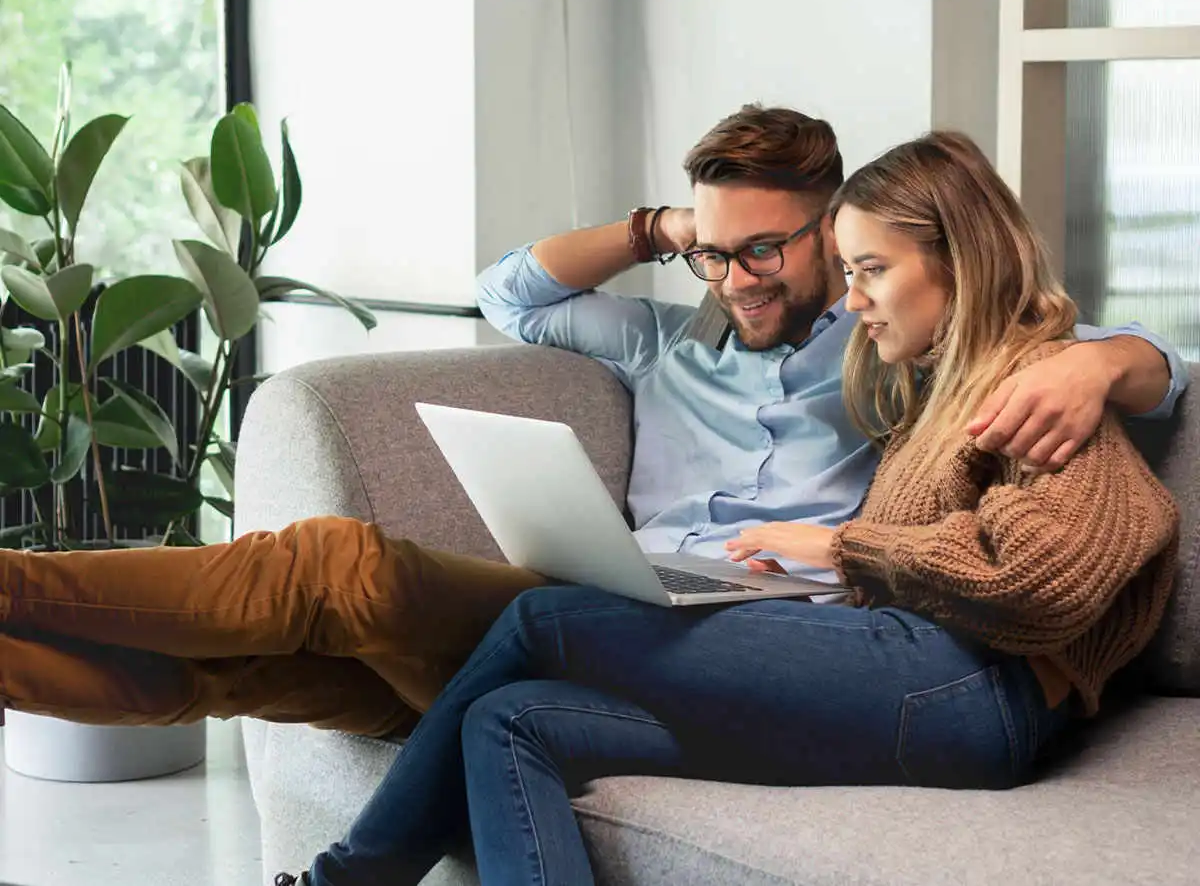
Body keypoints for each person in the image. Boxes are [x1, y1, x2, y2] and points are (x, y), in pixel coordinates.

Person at [0, 107, 1186, 739]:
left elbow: (1111, 363)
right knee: (263, 672)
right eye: (719, 253)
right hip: (622, 590)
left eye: (769, 247)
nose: (743, 279)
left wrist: (1111, 363)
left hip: (764, 629)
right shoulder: (669, 337)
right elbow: (506, 290)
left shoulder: (894, 352)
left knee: (334, 569)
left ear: (836, 233)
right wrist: (669, 231)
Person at [274, 130, 1180, 886]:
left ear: (960, 264)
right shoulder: (936, 383)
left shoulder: (1040, 388)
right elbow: (511, 291)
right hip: (909, 678)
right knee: (509, 720)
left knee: (542, 616)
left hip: (976, 694)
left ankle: (348, 879)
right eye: (848, 268)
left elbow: (1043, 579)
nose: (852, 298)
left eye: (870, 270)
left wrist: (849, 551)